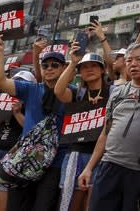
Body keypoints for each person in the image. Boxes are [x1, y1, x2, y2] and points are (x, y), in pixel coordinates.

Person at [0, 34, 74, 211]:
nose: (49, 69)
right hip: (25, 161)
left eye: (54, 65)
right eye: (45, 65)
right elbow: (0, 81)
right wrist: (0, 52)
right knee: (15, 207)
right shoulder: (31, 89)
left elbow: (62, 90)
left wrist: (74, 62)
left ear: (64, 68)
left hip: (54, 163)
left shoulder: (73, 93)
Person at [79, 42, 140, 211]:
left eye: (139, 59)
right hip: (109, 165)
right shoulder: (117, 92)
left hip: (139, 171)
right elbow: (106, 132)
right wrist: (89, 168)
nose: (133, 64)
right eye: (129, 60)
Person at [55, 49, 111, 211]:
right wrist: (73, 62)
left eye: (94, 65)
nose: (89, 69)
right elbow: (59, 90)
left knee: (93, 206)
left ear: (102, 69)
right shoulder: (77, 93)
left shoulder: (113, 92)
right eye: (84, 67)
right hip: (76, 155)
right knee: (70, 205)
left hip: (104, 156)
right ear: (80, 72)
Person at [0, 72, 29, 211]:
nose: (17, 89)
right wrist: (3, 113)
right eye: (15, 84)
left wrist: (17, 113)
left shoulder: (30, 107)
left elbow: (32, 129)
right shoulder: (2, 105)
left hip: (11, 157)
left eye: (22, 84)